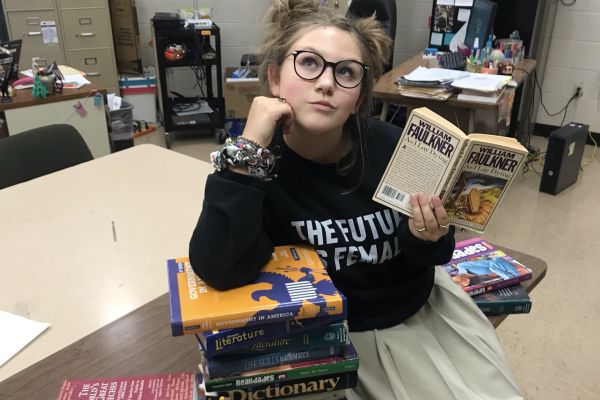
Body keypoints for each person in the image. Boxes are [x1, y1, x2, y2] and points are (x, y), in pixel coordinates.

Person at [189, 1, 523, 399]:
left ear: (360, 94)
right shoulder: (255, 160)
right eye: (309, 63)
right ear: (275, 78)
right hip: (318, 335)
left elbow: (433, 253)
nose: (326, 83)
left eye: (346, 72)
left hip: (414, 314)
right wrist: (248, 150)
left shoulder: (391, 145)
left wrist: (427, 234)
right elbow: (219, 269)